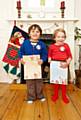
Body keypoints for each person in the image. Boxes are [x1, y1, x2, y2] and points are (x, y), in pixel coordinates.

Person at [19, 24, 47, 103]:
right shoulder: (25, 43)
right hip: (28, 66)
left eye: (37, 32)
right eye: (33, 31)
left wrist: (42, 60)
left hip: (38, 65)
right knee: (30, 82)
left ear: (40, 34)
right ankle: (31, 97)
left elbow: (45, 54)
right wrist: (21, 59)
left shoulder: (42, 44)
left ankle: (40, 95)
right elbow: (20, 52)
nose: (35, 33)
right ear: (29, 33)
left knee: (39, 81)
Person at [48, 28, 72, 104]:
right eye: (58, 37)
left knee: (63, 82)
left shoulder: (66, 46)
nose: (60, 39)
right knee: (55, 81)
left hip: (63, 64)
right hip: (55, 65)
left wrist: (67, 63)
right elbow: (49, 55)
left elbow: (70, 56)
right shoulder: (51, 46)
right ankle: (55, 95)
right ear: (54, 38)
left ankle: (64, 96)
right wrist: (49, 59)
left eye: (62, 37)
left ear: (65, 38)